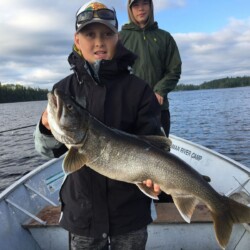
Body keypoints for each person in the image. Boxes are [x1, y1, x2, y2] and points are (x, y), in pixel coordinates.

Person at [34, 1, 164, 249]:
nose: (99, 42)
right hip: (83, 217)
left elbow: (153, 140)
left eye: (107, 34)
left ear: (118, 38)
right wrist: (45, 128)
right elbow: (49, 151)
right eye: (89, 34)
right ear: (77, 39)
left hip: (129, 216)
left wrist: (156, 175)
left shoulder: (139, 90)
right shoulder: (64, 90)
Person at [119, 0, 182, 137]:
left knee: (162, 152)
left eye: (144, 3)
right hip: (130, 111)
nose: (141, 8)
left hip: (159, 110)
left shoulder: (165, 37)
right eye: (135, 5)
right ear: (130, 9)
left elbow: (174, 69)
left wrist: (160, 90)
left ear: (150, 6)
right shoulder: (119, 38)